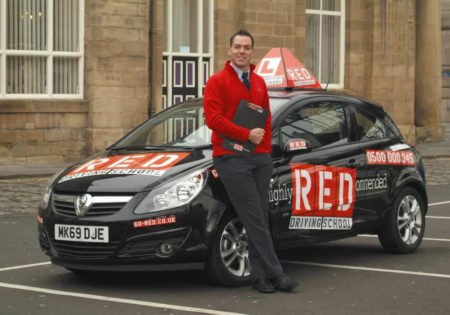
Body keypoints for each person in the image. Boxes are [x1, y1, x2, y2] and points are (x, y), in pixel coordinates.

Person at [203, 29, 298, 294]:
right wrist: (246, 134)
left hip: (259, 159)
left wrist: (264, 152)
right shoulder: (217, 81)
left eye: (246, 47)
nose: (242, 51)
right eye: (237, 47)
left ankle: (259, 277)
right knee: (255, 217)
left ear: (251, 52)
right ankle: (276, 273)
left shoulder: (258, 82)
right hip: (230, 158)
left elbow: (266, 119)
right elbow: (214, 120)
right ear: (229, 50)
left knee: (258, 218)